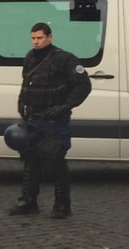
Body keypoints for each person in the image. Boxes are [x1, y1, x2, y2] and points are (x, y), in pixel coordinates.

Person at [11, 22, 91, 219]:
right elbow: (26, 84)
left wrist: (64, 107)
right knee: (30, 161)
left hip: (54, 120)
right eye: (33, 38)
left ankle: (62, 204)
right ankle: (29, 201)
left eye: (39, 38)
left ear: (49, 37)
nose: (36, 42)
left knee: (55, 159)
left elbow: (83, 86)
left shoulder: (64, 58)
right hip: (33, 118)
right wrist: (22, 105)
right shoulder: (30, 57)